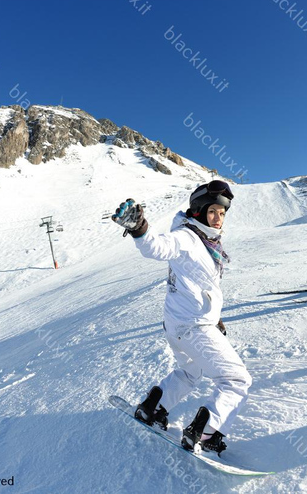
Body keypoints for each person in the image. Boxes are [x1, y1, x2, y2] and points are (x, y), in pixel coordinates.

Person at [111, 180, 251, 455]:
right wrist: (140, 229)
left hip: (179, 324)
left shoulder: (205, 241)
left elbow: (202, 286)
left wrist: (215, 317)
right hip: (193, 327)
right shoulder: (187, 237)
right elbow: (157, 247)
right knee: (236, 380)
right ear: (198, 210)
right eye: (213, 211)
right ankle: (205, 434)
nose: (218, 218)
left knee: (190, 371)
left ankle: (153, 408)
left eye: (222, 213)